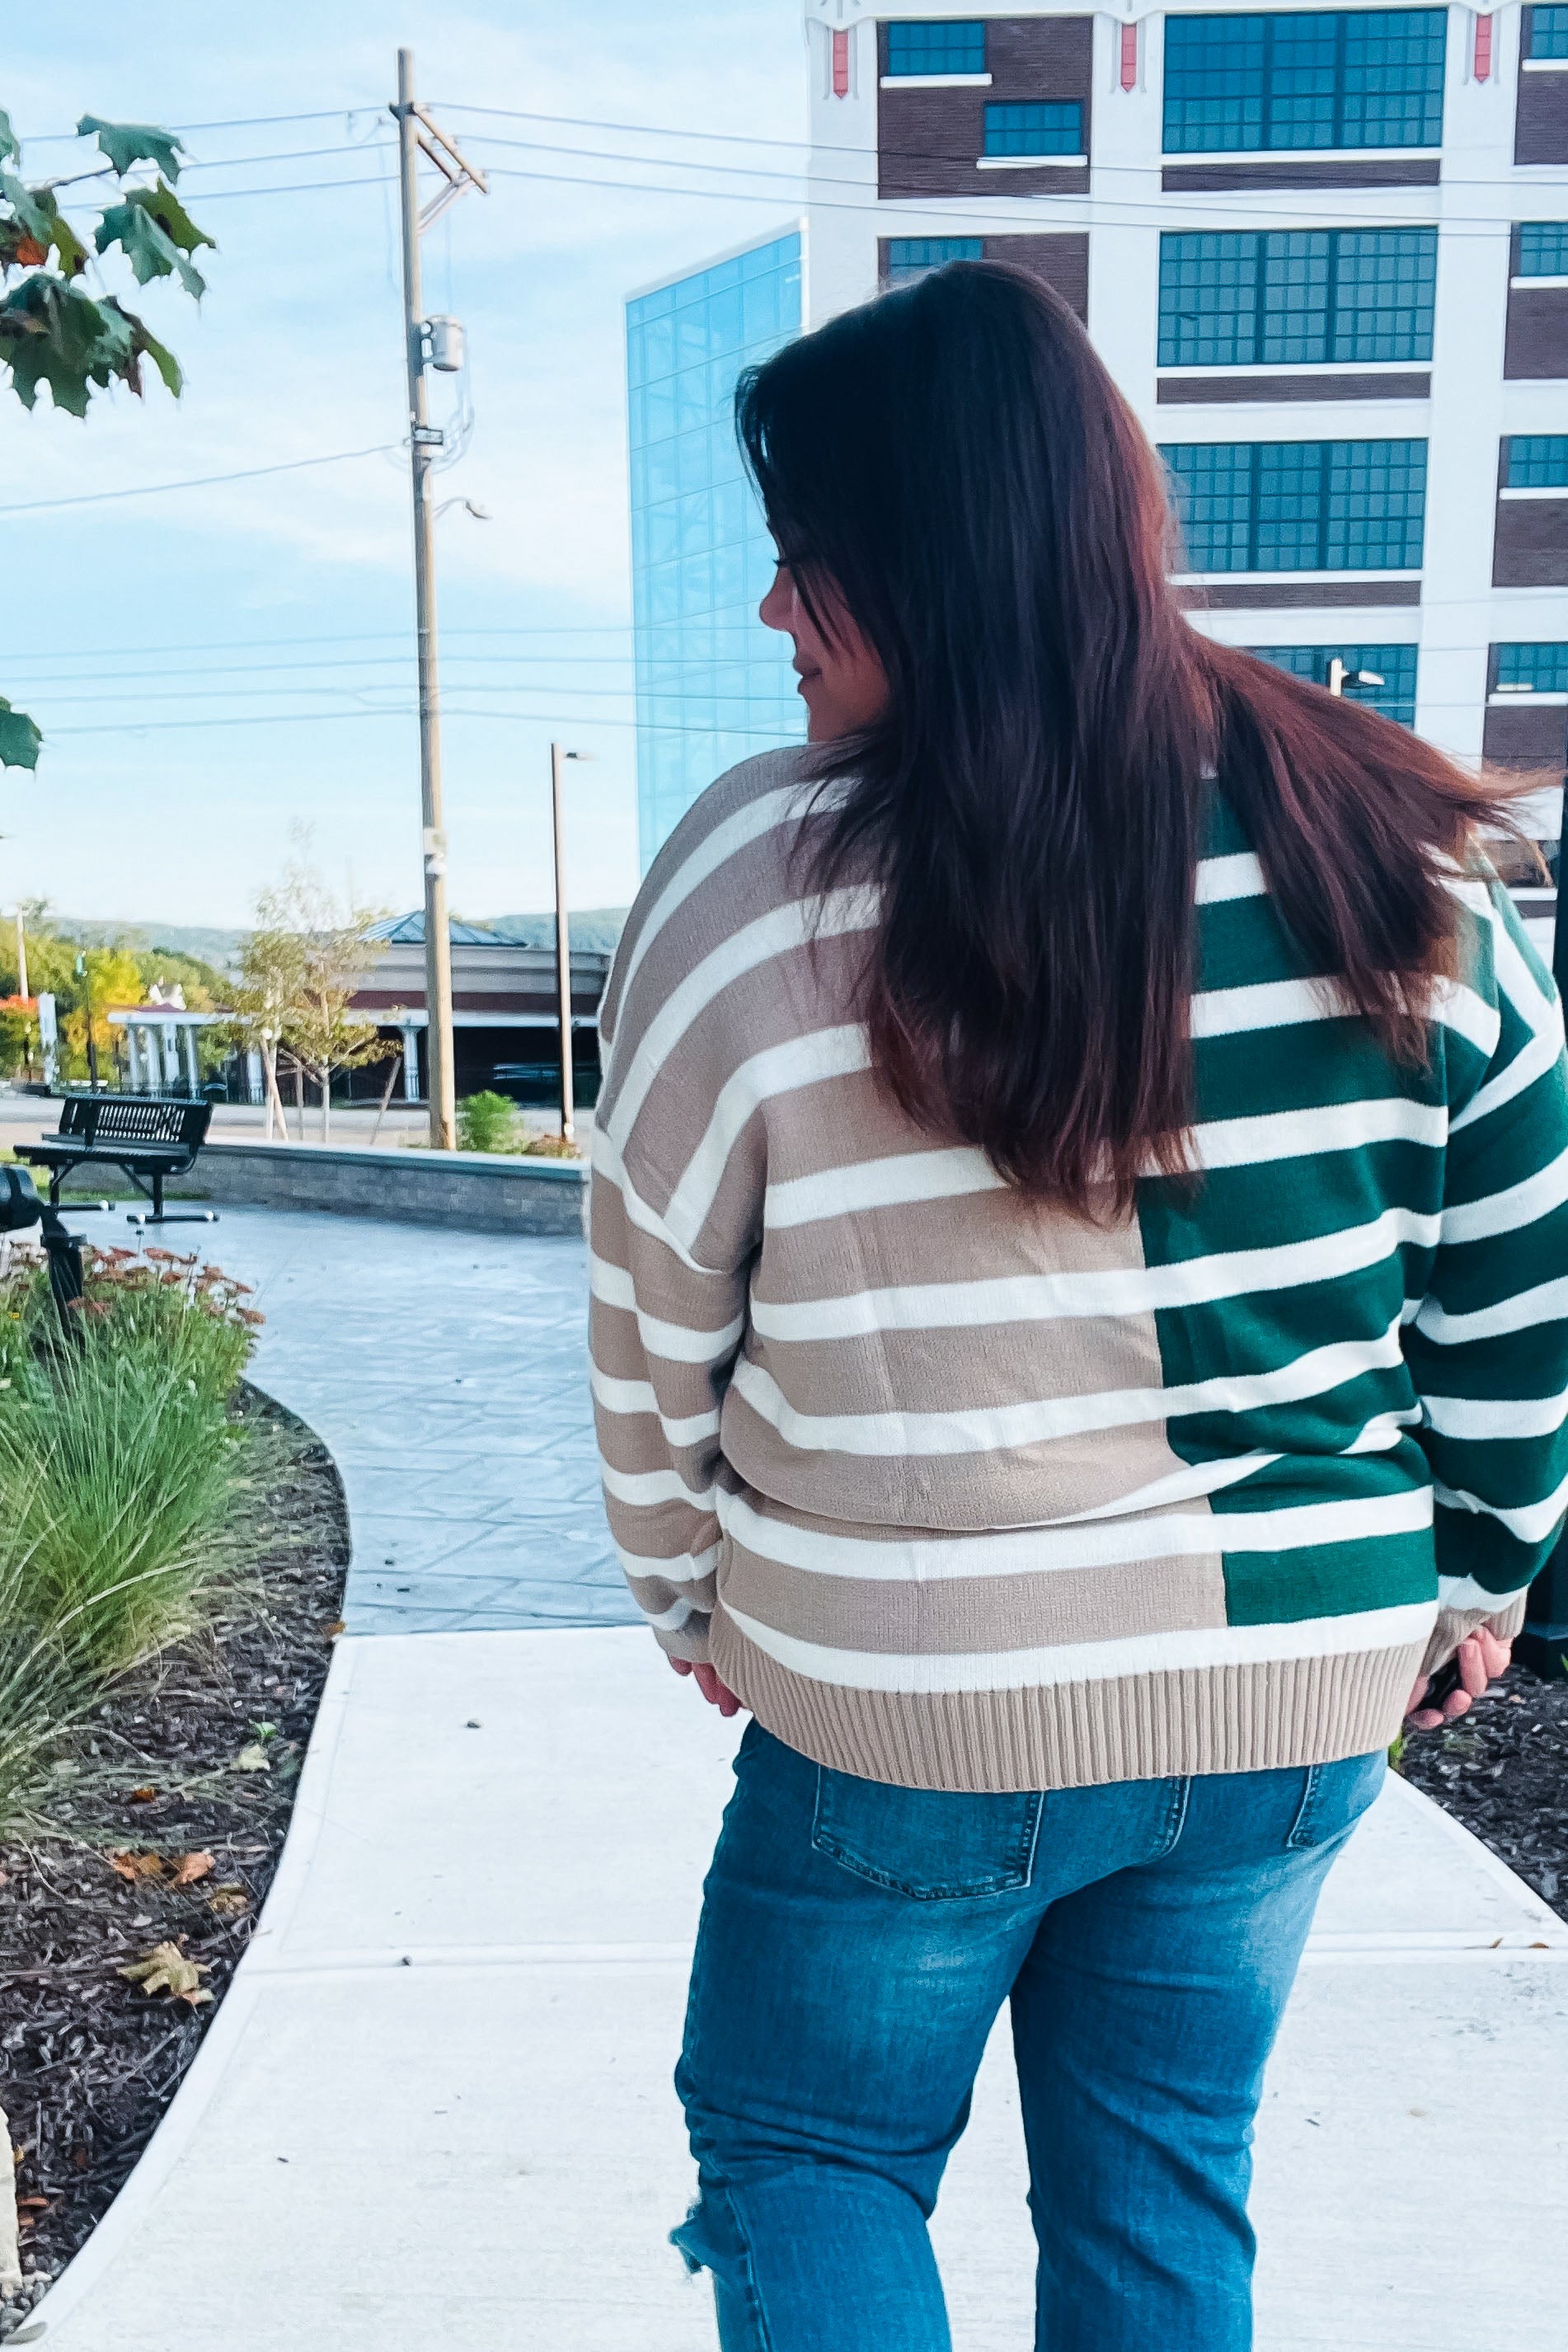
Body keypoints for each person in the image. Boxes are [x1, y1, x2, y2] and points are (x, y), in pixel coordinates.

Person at [589, 262, 1568, 2352]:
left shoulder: (758, 873)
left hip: (914, 1702)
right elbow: (1516, 1288)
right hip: (1299, 1692)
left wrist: (689, 1596)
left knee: (814, 2155)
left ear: (924, 560)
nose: (774, 620)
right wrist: (1482, 1579)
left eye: (802, 567)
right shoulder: (1400, 845)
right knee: (1156, 2185)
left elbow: (654, 1306)